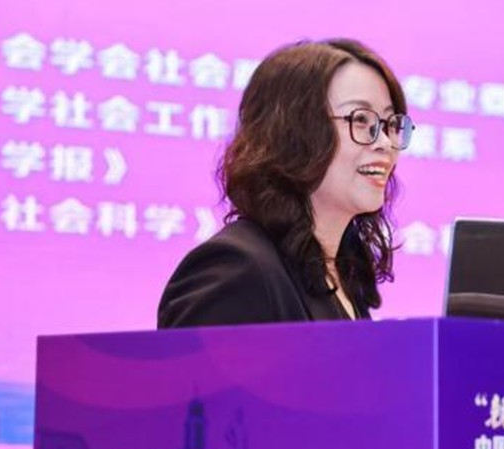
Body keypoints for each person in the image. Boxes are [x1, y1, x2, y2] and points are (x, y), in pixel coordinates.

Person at [157, 39, 413, 328]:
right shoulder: (236, 269)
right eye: (361, 120)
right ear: (292, 134)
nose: (385, 143)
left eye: (390, 124)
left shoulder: (342, 275)